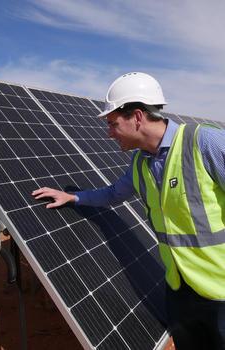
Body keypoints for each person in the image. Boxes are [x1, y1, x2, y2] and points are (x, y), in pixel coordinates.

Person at [32, 72, 225, 350]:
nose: (108, 133)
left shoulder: (204, 142)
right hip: (179, 288)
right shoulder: (140, 164)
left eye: (112, 124)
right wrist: (72, 197)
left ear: (136, 117)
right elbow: (113, 194)